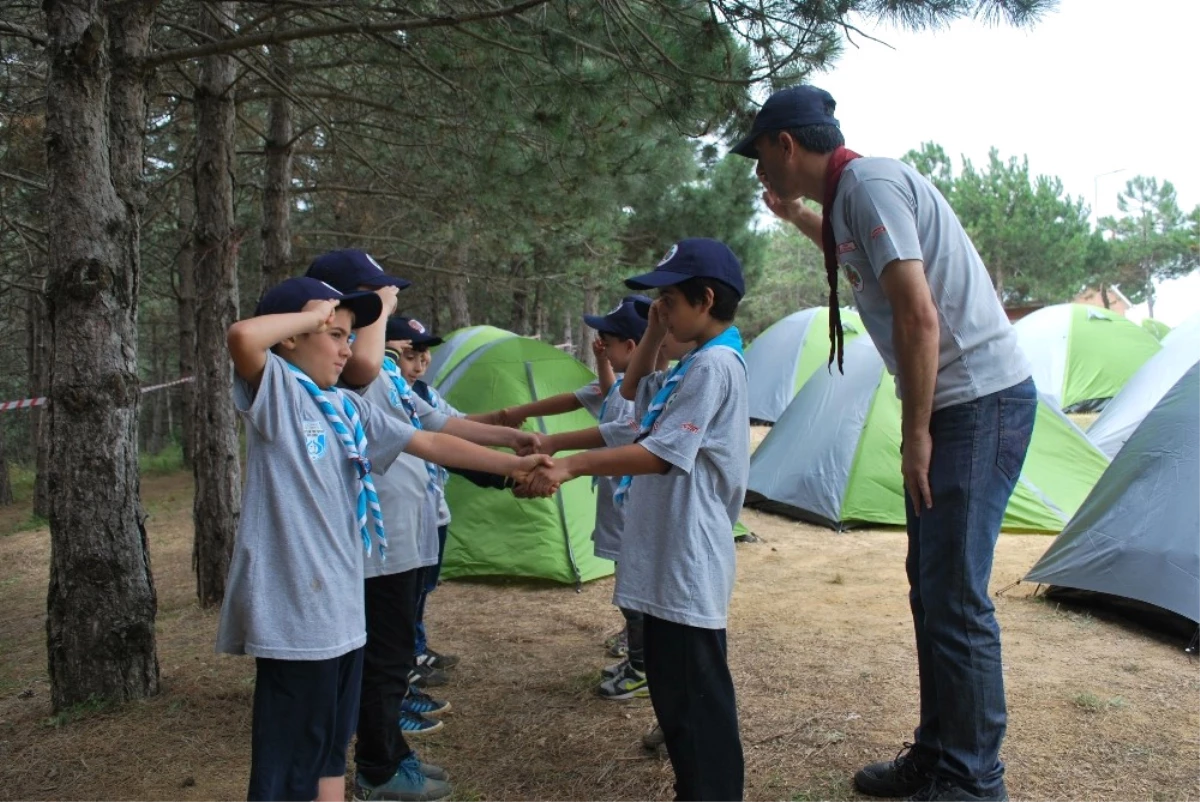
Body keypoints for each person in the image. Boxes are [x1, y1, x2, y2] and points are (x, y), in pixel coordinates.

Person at [732, 85, 1036, 802]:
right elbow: (864, 262)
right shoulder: (848, 199)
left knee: (956, 598)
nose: (757, 174)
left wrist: (917, 433)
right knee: (932, 592)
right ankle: (938, 754)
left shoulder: (867, 184)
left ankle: (972, 778)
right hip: (962, 405)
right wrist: (800, 216)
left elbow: (918, 316)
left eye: (759, 158)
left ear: (785, 144)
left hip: (976, 404)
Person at [218, 276, 549, 802]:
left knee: (328, 746)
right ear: (290, 339)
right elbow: (241, 337)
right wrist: (314, 314)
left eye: (350, 335)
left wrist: (515, 466)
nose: (347, 347)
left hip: (343, 610)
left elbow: (431, 440)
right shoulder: (279, 394)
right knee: (289, 759)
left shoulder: (346, 408)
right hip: (297, 615)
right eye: (336, 334)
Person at [306, 255, 543, 802]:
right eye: (374, 293)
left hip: (408, 534)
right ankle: (379, 768)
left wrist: (508, 443)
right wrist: (379, 312)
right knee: (384, 660)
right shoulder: (346, 362)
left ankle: (390, 754)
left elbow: (430, 425)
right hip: (376, 541)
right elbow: (370, 376)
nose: (389, 299)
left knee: (392, 658)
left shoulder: (383, 368)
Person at [527, 238, 750, 802]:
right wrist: (654, 330)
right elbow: (630, 392)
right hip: (666, 553)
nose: (662, 309)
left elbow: (659, 453)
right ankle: (692, 787)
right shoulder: (690, 363)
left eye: (670, 299)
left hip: (688, 556)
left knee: (699, 700)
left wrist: (573, 464)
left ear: (704, 299)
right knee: (675, 696)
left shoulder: (716, 366)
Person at [523, 295, 652, 699]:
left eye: (609, 343)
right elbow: (613, 396)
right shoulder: (627, 384)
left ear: (632, 347)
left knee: (635, 591)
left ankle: (643, 668)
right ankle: (638, 657)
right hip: (616, 503)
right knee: (627, 587)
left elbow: (621, 427)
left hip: (630, 507)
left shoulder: (649, 390)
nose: (604, 348)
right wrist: (602, 361)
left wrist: (559, 447)